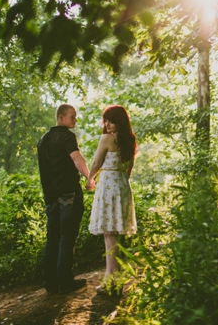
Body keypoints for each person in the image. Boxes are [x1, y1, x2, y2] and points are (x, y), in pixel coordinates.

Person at [37, 104, 95, 295]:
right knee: (66, 238)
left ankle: (50, 282)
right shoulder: (67, 136)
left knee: (52, 238)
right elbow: (77, 158)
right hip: (68, 194)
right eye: (72, 116)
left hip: (50, 196)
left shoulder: (42, 140)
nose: (75, 119)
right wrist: (89, 177)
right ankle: (65, 282)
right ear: (61, 118)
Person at [86, 104, 137, 294]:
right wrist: (122, 181)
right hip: (122, 185)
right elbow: (129, 169)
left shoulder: (107, 139)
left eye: (110, 120)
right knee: (111, 235)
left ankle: (117, 280)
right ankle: (109, 280)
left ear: (119, 121)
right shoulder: (130, 140)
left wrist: (90, 178)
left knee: (110, 235)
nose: (106, 124)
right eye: (105, 121)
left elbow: (97, 162)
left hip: (108, 186)